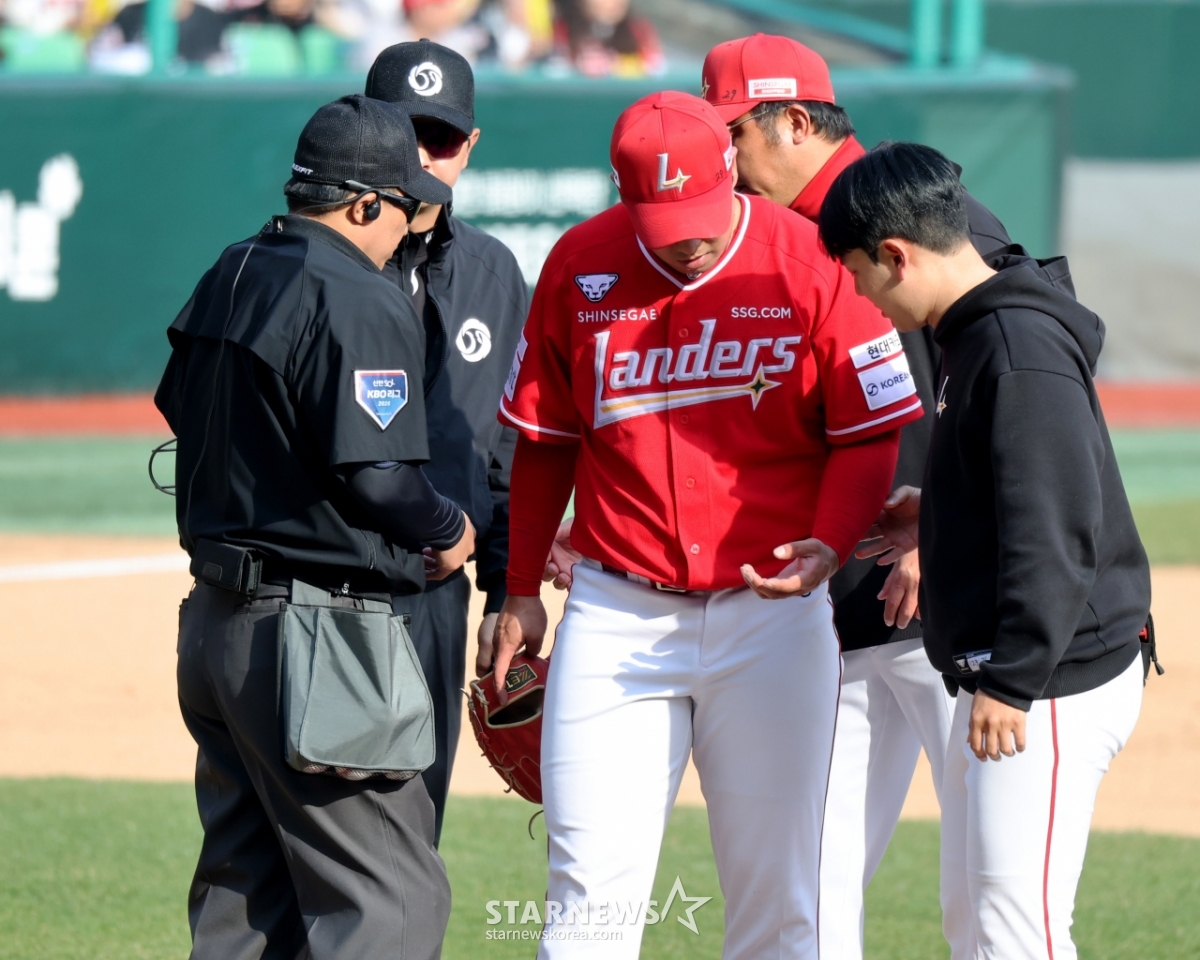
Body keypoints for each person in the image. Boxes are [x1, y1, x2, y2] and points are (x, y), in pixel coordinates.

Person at [489, 90, 925, 958]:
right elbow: (545, 441)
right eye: (663, 223)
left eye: (698, 216)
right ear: (624, 198)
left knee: (781, 895)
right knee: (587, 896)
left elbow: (869, 433)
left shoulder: (807, 259)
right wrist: (519, 588)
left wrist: (832, 543)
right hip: (617, 615)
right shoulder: (580, 264)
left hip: (771, 617)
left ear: (732, 171)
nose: (686, 241)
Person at [696, 33, 1059, 960]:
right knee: (805, 891)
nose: (723, 156)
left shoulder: (920, 209)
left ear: (793, 121)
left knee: (987, 897)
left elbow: (1026, 389)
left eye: (733, 133)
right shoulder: (754, 233)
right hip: (834, 607)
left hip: (945, 607)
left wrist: (943, 531)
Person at [154, 94, 471, 960]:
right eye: (402, 208)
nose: (408, 228)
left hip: (216, 630)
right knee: (389, 897)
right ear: (363, 204)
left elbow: (177, 407)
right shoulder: (355, 292)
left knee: (244, 899)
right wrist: (448, 528)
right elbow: (379, 476)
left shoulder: (234, 267)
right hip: (315, 638)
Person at [819, 141, 1151, 960]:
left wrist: (1013, 678)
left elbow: (1056, 531)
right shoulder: (972, 331)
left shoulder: (1014, 345)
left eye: (858, 271)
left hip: (1054, 677)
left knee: (1015, 928)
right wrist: (937, 512)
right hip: (1018, 670)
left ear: (897, 254)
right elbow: (1013, 487)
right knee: (977, 917)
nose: (858, 292)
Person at [365, 38, 529, 843]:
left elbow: (506, 449)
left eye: (440, 136)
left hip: (436, 595)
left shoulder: (494, 274)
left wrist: (505, 590)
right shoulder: (313, 263)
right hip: (326, 585)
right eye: (401, 132)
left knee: (411, 827)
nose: (421, 155)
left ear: (469, 145)